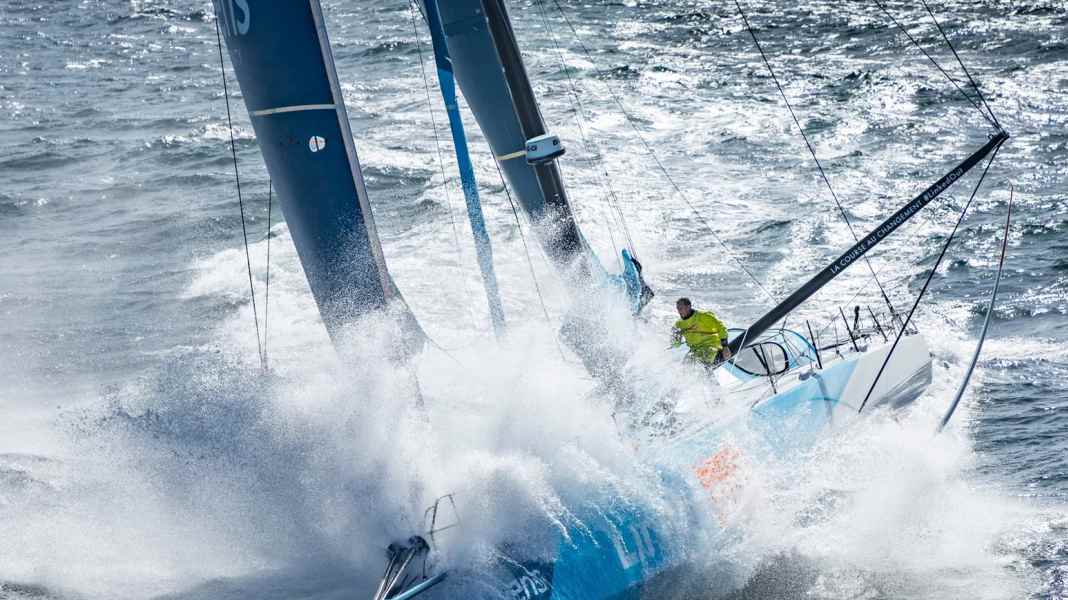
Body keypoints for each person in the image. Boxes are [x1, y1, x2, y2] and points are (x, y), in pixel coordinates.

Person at [671, 297, 732, 366]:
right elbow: (676, 345)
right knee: (684, 367)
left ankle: (707, 373)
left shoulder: (703, 316)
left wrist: (725, 347)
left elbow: (721, 328)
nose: (679, 311)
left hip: (711, 346)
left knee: (699, 364)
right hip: (695, 351)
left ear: (688, 307)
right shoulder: (679, 324)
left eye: (681, 308)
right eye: (678, 309)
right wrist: (676, 336)